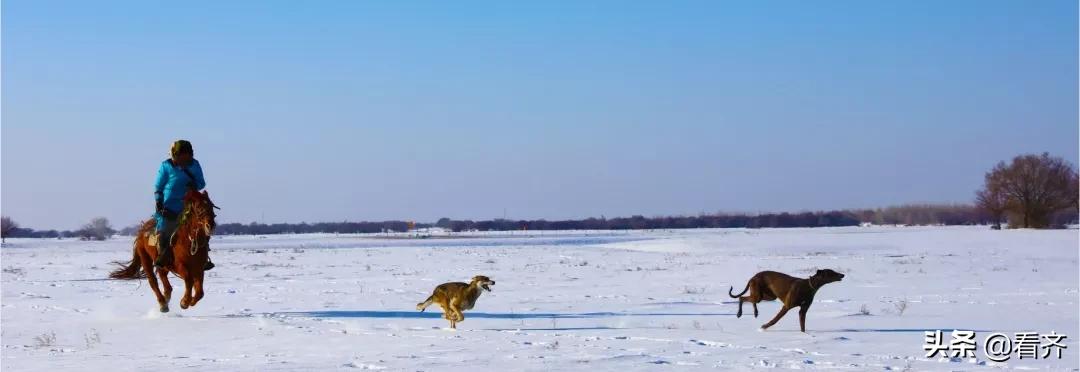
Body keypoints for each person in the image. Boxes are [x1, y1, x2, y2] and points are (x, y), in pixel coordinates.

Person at [154, 140, 214, 270]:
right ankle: (163, 256)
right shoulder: (166, 166)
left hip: (189, 205)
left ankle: (204, 256)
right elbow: (158, 186)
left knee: (201, 227)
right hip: (169, 205)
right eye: (181, 156)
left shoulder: (195, 165)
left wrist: (194, 185)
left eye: (187, 156)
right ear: (175, 155)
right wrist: (159, 201)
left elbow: (201, 182)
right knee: (166, 231)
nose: (184, 159)